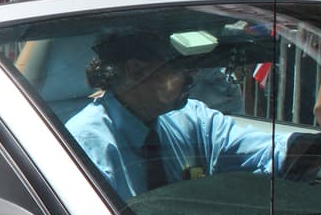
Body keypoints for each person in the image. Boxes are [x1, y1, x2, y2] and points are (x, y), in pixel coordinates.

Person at [66, 31, 288, 200]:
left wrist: (311, 149)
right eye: (181, 66)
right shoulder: (87, 145)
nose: (195, 74)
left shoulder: (194, 119)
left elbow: (271, 151)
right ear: (136, 71)